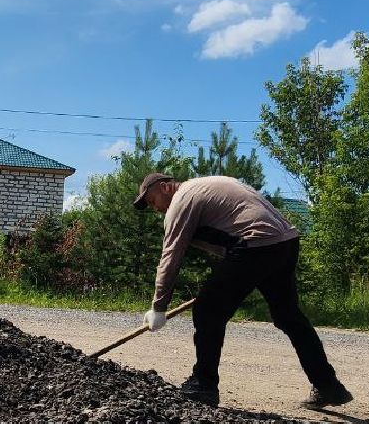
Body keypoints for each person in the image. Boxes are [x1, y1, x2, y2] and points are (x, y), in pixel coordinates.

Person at [133, 173, 352, 410]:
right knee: (288, 316)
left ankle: (203, 385)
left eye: (152, 201)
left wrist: (158, 307)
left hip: (257, 244)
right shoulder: (205, 185)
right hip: (285, 242)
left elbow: (171, 257)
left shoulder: (181, 200)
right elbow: (231, 234)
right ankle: (328, 385)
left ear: (165, 187)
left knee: (208, 310)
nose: (154, 208)